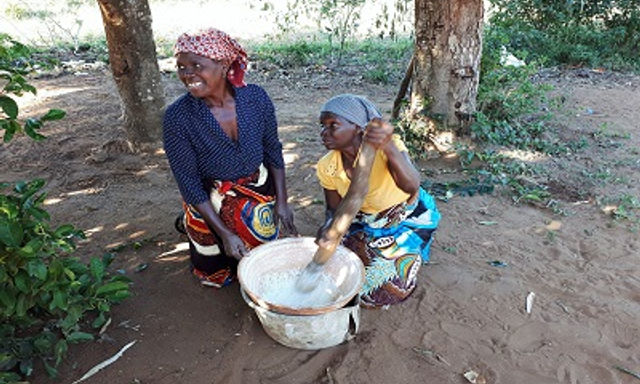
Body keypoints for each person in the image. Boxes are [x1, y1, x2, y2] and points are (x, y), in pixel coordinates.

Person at [163, 28, 297, 288]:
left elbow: (272, 149)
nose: (187, 74)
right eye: (181, 67)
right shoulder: (178, 117)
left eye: (196, 65)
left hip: (256, 189)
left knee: (263, 261)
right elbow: (188, 181)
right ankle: (199, 229)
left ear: (224, 65)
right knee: (215, 267)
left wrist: (282, 201)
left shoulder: (255, 99)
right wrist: (223, 233)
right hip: (208, 197)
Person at [315, 94, 440, 308]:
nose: (323, 133)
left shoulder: (387, 148)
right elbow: (333, 209)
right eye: (322, 126)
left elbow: (411, 186)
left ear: (357, 127)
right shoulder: (327, 166)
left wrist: (388, 147)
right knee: (335, 270)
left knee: (381, 291)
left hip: (403, 218)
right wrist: (328, 228)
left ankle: (411, 250)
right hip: (362, 220)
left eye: (332, 125)